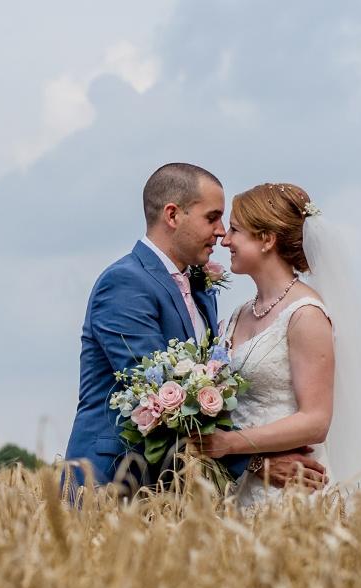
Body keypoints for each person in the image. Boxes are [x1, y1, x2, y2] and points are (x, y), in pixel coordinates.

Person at [64, 164, 325, 495]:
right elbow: (157, 398)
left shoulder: (202, 288)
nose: (221, 232)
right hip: (114, 481)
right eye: (212, 218)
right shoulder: (126, 283)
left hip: (175, 486)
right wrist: (257, 461)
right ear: (173, 215)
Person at [191, 183, 361, 507]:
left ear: (267, 240)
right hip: (240, 486)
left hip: (289, 495)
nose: (225, 240)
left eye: (236, 230)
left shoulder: (306, 315)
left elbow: (316, 420)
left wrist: (229, 444)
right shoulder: (239, 314)